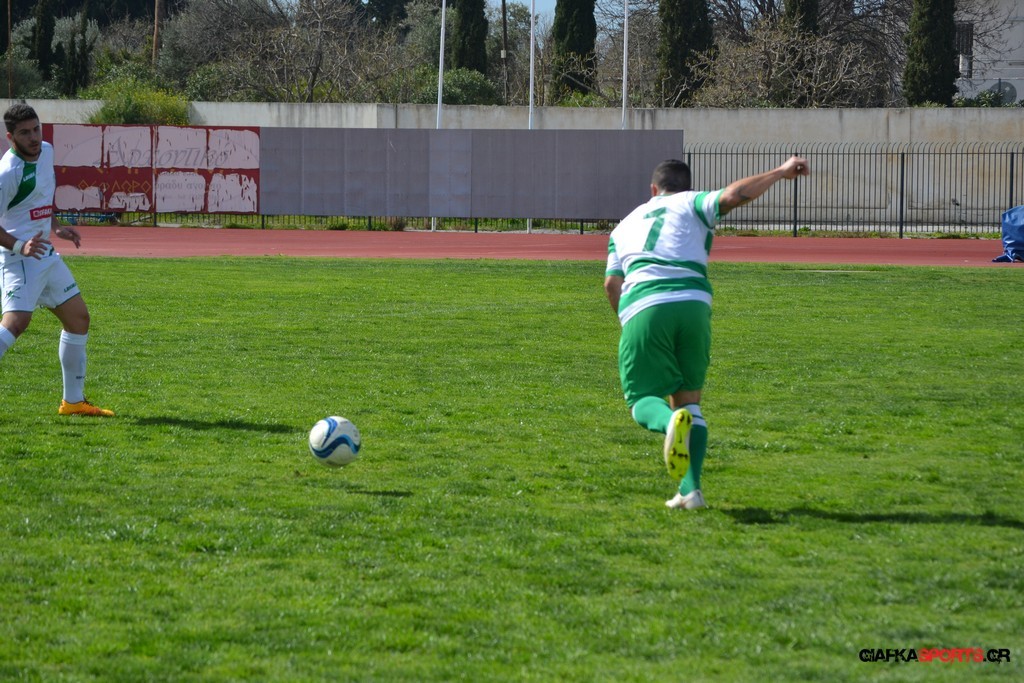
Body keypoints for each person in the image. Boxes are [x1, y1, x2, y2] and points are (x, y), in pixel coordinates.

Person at [605, 155, 808, 509]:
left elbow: (611, 284)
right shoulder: (693, 202)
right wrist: (779, 172)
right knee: (690, 405)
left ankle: (669, 422)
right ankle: (691, 492)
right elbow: (731, 196)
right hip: (695, 305)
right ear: (686, 186)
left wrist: (628, 320)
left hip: (646, 304)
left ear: (653, 189)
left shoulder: (625, 225)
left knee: (641, 399)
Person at [0, 103, 113, 417]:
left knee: (78, 319)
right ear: (10, 137)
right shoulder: (7, 173)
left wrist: (57, 227)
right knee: (16, 324)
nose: (34, 137)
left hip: (46, 254)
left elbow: (40, 197)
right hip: (20, 259)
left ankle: (73, 403)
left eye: (36, 129)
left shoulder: (46, 151)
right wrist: (20, 245)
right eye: (25, 133)